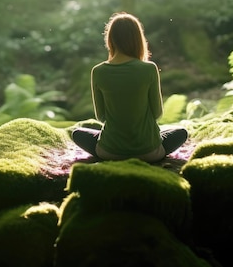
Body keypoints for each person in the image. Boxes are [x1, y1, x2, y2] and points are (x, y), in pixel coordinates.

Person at [71, 12, 188, 163]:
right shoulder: (149, 69)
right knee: (181, 132)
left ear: (110, 39)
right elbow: (157, 113)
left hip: (109, 152)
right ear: (138, 39)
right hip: (150, 152)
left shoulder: (98, 71)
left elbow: (101, 117)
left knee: (78, 134)